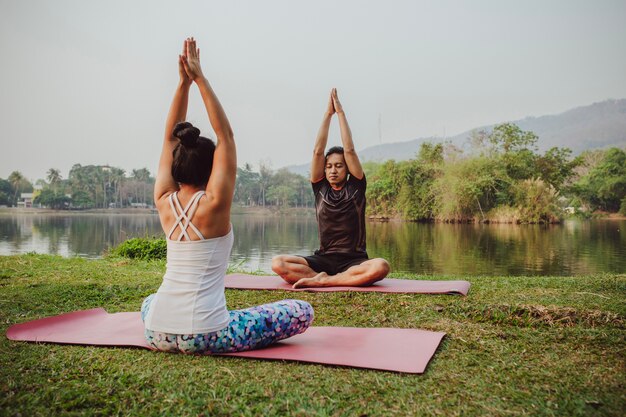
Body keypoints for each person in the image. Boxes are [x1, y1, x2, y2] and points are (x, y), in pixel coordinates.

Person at [141, 38, 313, 354]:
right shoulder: (214, 204)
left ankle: (167, 320)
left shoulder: (163, 199)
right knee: (302, 310)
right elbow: (226, 137)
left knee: (150, 302)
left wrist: (183, 85)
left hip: (156, 332)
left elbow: (168, 140)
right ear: (212, 170)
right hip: (206, 335)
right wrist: (200, 78)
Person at [271, 89, 390, 288]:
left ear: (347, 168)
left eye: (338, 165)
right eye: (329, 166)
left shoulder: (356, 187)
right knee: (278, 263)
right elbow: (318, 151)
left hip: (354, 260)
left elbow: (349, 149)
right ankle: (330, 278)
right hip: (324, 259)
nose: (333, 170)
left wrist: (340, 114)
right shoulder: (320, 189)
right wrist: (327, 114)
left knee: (381, 266)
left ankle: (325, 281)